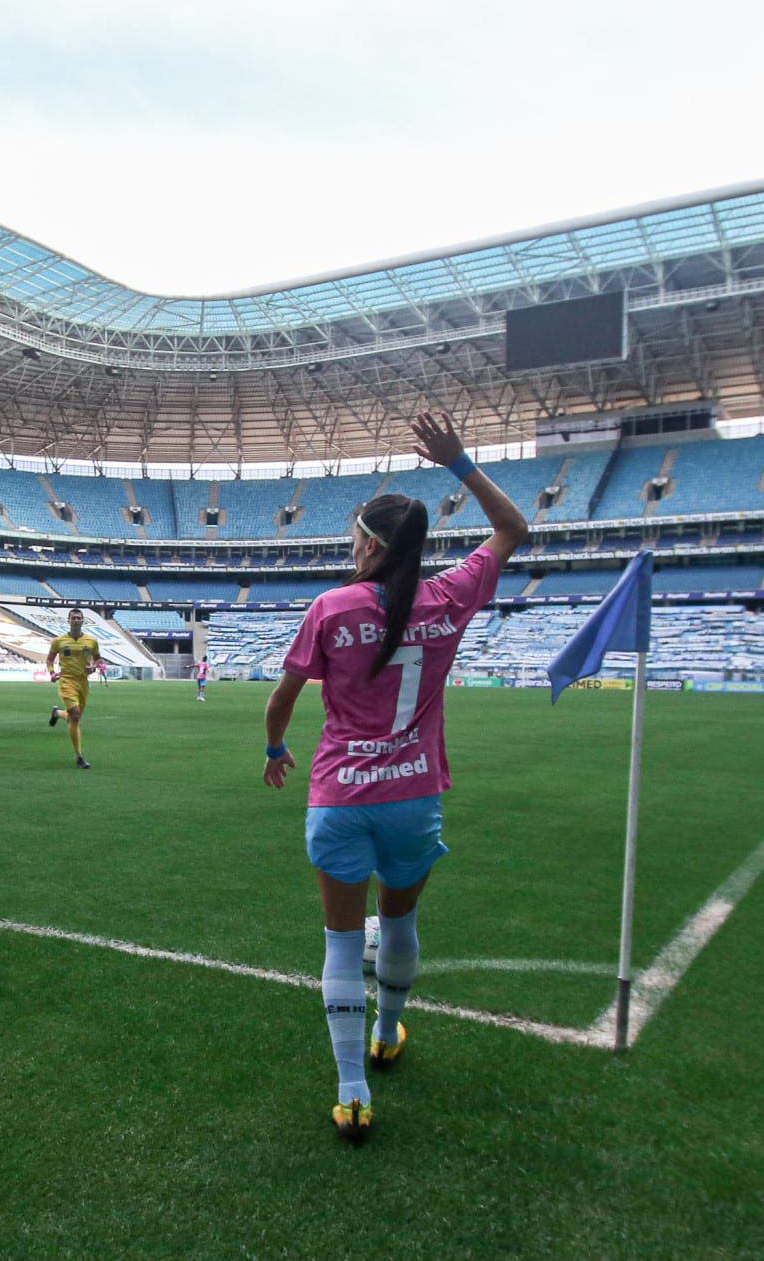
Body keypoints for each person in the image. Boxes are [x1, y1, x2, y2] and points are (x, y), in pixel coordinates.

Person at [261, 410, 526, 1145]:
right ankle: (387, 1029)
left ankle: (352, 1091)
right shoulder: (448, 598)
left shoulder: (333, 605)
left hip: (341, 796)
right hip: (415, 795)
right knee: (400, 920)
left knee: (344, 940)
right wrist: (459, 463)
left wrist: (275, 748)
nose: (352, 546)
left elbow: (282, 698)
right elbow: (512, 531)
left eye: (357, 536)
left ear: (371, 543)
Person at [45, 608, 104, 769]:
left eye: (79, 618)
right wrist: (52, 673)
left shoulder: (91, 641)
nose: (76, 620)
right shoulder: (59, 641)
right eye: (74, 618)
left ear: (83, 621)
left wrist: (93, 666)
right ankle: (79, 757)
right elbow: (49, 660)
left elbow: (98, 659)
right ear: (69, 621)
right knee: (76, 716)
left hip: (83, 683)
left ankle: (57, 713)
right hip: (67, 681)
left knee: (73, 718)